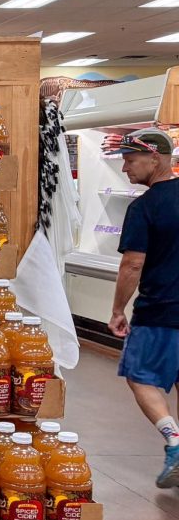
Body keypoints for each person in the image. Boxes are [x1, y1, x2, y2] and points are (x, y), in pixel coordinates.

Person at [107, 128, 179, 488]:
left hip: (161, 309)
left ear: (156, 159)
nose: (124, 168)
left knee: (140, 377)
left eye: (130, 159)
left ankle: (175, 441)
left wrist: (119, 309)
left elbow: (133, 264)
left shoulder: (145, 206)